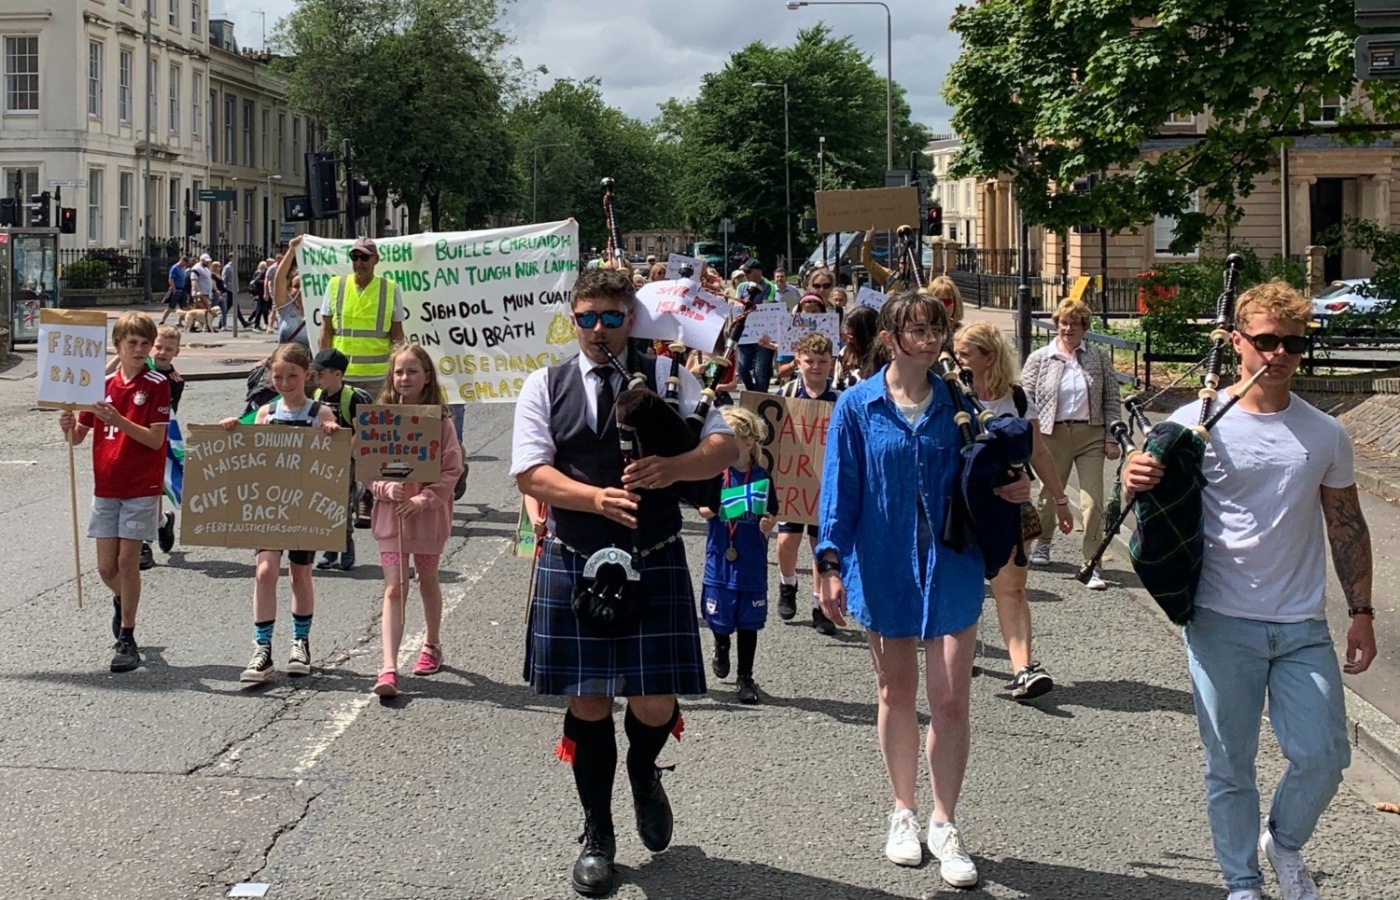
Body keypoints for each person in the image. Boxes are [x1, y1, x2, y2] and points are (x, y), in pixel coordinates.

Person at [1121, 279, 1377, 900]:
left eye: (1293, 342)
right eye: (1266, 341)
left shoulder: (1324, 433)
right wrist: (1133, 479)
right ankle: (1242, 882)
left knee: (1324, 755)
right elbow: (1152, 517)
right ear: (1237, 341)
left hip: (1300, 623)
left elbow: (1346, 523)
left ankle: (1282, 841)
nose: (1280, 354)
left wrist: (1362, 612)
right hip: (1219, 618)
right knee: (1230, 764)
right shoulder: (1193, 424)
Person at [511, 267, 737, 897]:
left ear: (630, 320)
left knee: (654, 701)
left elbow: (725, 448)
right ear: (573, 319)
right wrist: (594, 499)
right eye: (587, 317)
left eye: (612, 318)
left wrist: (676, 466)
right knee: (587, 701)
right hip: (578, 556)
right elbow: (531, 473)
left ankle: (643, 771)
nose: (599, 330)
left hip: (654, 553)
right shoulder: (545, 384)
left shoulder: (667, 377)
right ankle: (597, 830)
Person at [816, 290, 1029, 888]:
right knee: (896, 692)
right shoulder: (858, 406)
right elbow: (840, 488)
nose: (931, 338)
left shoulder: (961, 405)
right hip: (881, 563)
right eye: (917, 329)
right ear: (891, 336)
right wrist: (829, 561)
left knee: (952, 697)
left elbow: (991, 472)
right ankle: (903, 812)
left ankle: (945, 820)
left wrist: (1014, 490)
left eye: (937, 327)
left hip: (951, 562)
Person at [953, 322, 1074, 700]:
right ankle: (958, 651)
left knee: (1011, 590)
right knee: (961, 586)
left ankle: (1023, 669)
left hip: (1005, 506)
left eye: (965, 353)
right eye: (957, 351)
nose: (957, 359)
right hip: (956, 506)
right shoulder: (947, 393)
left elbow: (1038, 452)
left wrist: (1059, 498)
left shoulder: (1017, 400)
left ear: (989, 357)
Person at [219, 343, 340, 683]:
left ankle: (300, 642)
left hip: (304, 505)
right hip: (270, 504)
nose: (286, 382)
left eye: (293, 376)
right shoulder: (265, 414)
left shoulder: (320, 413)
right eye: (278, 376)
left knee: (300, 575)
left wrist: (332, 434)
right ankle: (262, 649)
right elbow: (251, 455)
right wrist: (233, 429)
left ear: (307, 377)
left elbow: (341, 452)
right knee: (264, 571)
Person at [59, 313, 171, 673]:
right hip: (106, 485)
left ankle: (127, 637)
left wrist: (119, 420)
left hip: (141, 485)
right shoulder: (101, 384)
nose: (139, 350)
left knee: (127, 562)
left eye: (145, 344)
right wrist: (67, 424)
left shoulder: (156, 384)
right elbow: (77, 437)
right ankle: (123, 601)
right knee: (106, 568)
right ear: (118, 346)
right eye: (132, 343)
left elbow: (155, 440)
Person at [368, 345, 465, 697]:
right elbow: (368, 471)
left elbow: (452, 468)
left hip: (427, 517)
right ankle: (388, 666)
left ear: (426, 378)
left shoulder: (440, 421)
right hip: (390, 515)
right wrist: (384, 488)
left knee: (427, 579)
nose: (404, 378)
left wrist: (424, 499)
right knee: (394, 587)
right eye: (398, 372)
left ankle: (432, 643)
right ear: (390, 379)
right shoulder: (380, 418)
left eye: (412, 371)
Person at [1020, 298, 1121, 589]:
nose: (1068, 328)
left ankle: (1092, 563)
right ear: (1056, 325)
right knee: (1049, 496)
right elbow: (1024, 400)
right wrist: (1029, 435)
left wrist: (1111, 438)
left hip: (1090, 434)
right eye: (1064, 323)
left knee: (1093, 502)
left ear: (1084, 328)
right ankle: (1043, 542)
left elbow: (1111, 398)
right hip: (1052, 434)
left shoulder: (1099, 357)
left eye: (1075, 324)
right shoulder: (1040, 358)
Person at [698, 405, 777, 704]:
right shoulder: (716, 475)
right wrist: (719, 508)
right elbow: (702, 509)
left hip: (751, 563)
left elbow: (772, 511)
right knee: (720, 620)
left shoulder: (762, 477)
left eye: (731, 439)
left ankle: (746, 676)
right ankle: (720, 646)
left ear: (748, 441)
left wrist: (769, 524)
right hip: (720, 560)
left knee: (749, 622)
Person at [775, 332, 840, 633]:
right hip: (793, 478)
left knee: (820, 545)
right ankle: (788, 584)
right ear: (797, 362)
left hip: (826, 484)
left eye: (823, 361)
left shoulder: (840, 399)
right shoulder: (785, 393)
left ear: (832, 363)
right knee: (787, 540)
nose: (816, 367)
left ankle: (820, 604)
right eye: (809, 361)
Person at [319, 236, 407, 399]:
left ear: (376, 260)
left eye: (365, 257)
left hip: (377, 377)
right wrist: (324, 369)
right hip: (341, 374)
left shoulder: (389, 288)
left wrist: (398, 370)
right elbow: (325, 331)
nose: (359, 262)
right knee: (340, 423)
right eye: (355, 257)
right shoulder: (335, 285)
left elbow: (397, 336)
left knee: (376, 424)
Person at [311, 348, 374, 572]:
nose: (316, 378)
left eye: (321, 374)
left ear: (337, 374)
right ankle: (330, 551)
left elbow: (361, 430)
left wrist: (347, 452)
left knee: (342, 505)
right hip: (323, 460)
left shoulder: (351, 398)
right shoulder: (319, 396)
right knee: (324, 504)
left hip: (346, 460)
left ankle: (345, 546)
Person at [735, 259, 780, 393]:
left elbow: (765, 305)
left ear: (758, 272)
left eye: (748, 272)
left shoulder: (769, 286)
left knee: (760, 370)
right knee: (743, 368)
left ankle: (760, 396)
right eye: (745, 272)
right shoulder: (742, 287)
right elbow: (737, 306)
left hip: (763, 333)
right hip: (745, 333)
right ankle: (752, 392)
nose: (746, 275)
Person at [272, 236, 310, 347]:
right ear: (289, 290)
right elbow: (279, 279)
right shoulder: (286, 309)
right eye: (296, 286)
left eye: (305, 285)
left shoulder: (320, 310)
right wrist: (291, 251)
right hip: (286, 362)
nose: (301, 290)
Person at [835, 305, 880, 390]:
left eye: (851, 336)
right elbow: (837, 387)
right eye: (845, 335)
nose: (847, 340)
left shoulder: (887, 358)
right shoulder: (844, 354)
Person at [159, 255, 190, 326]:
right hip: (176, 289)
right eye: (185, 263)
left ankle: (179, 321)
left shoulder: (182, 268)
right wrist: (174, 289)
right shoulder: (174, 268)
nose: (185, 265)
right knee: (171, 307)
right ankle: (162, 320)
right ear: (182, 260)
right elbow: (171, 279)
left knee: (184, 307)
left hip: (182, 289)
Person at [248, 261, 270, 331]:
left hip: (264, 293)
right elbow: (255, 283)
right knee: (260, 309)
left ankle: (265, 324)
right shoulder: (258, 273)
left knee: (263, 309)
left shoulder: (264, 272)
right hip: (260, 293)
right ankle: (256, 324)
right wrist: (266, 281)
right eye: (263, 267)